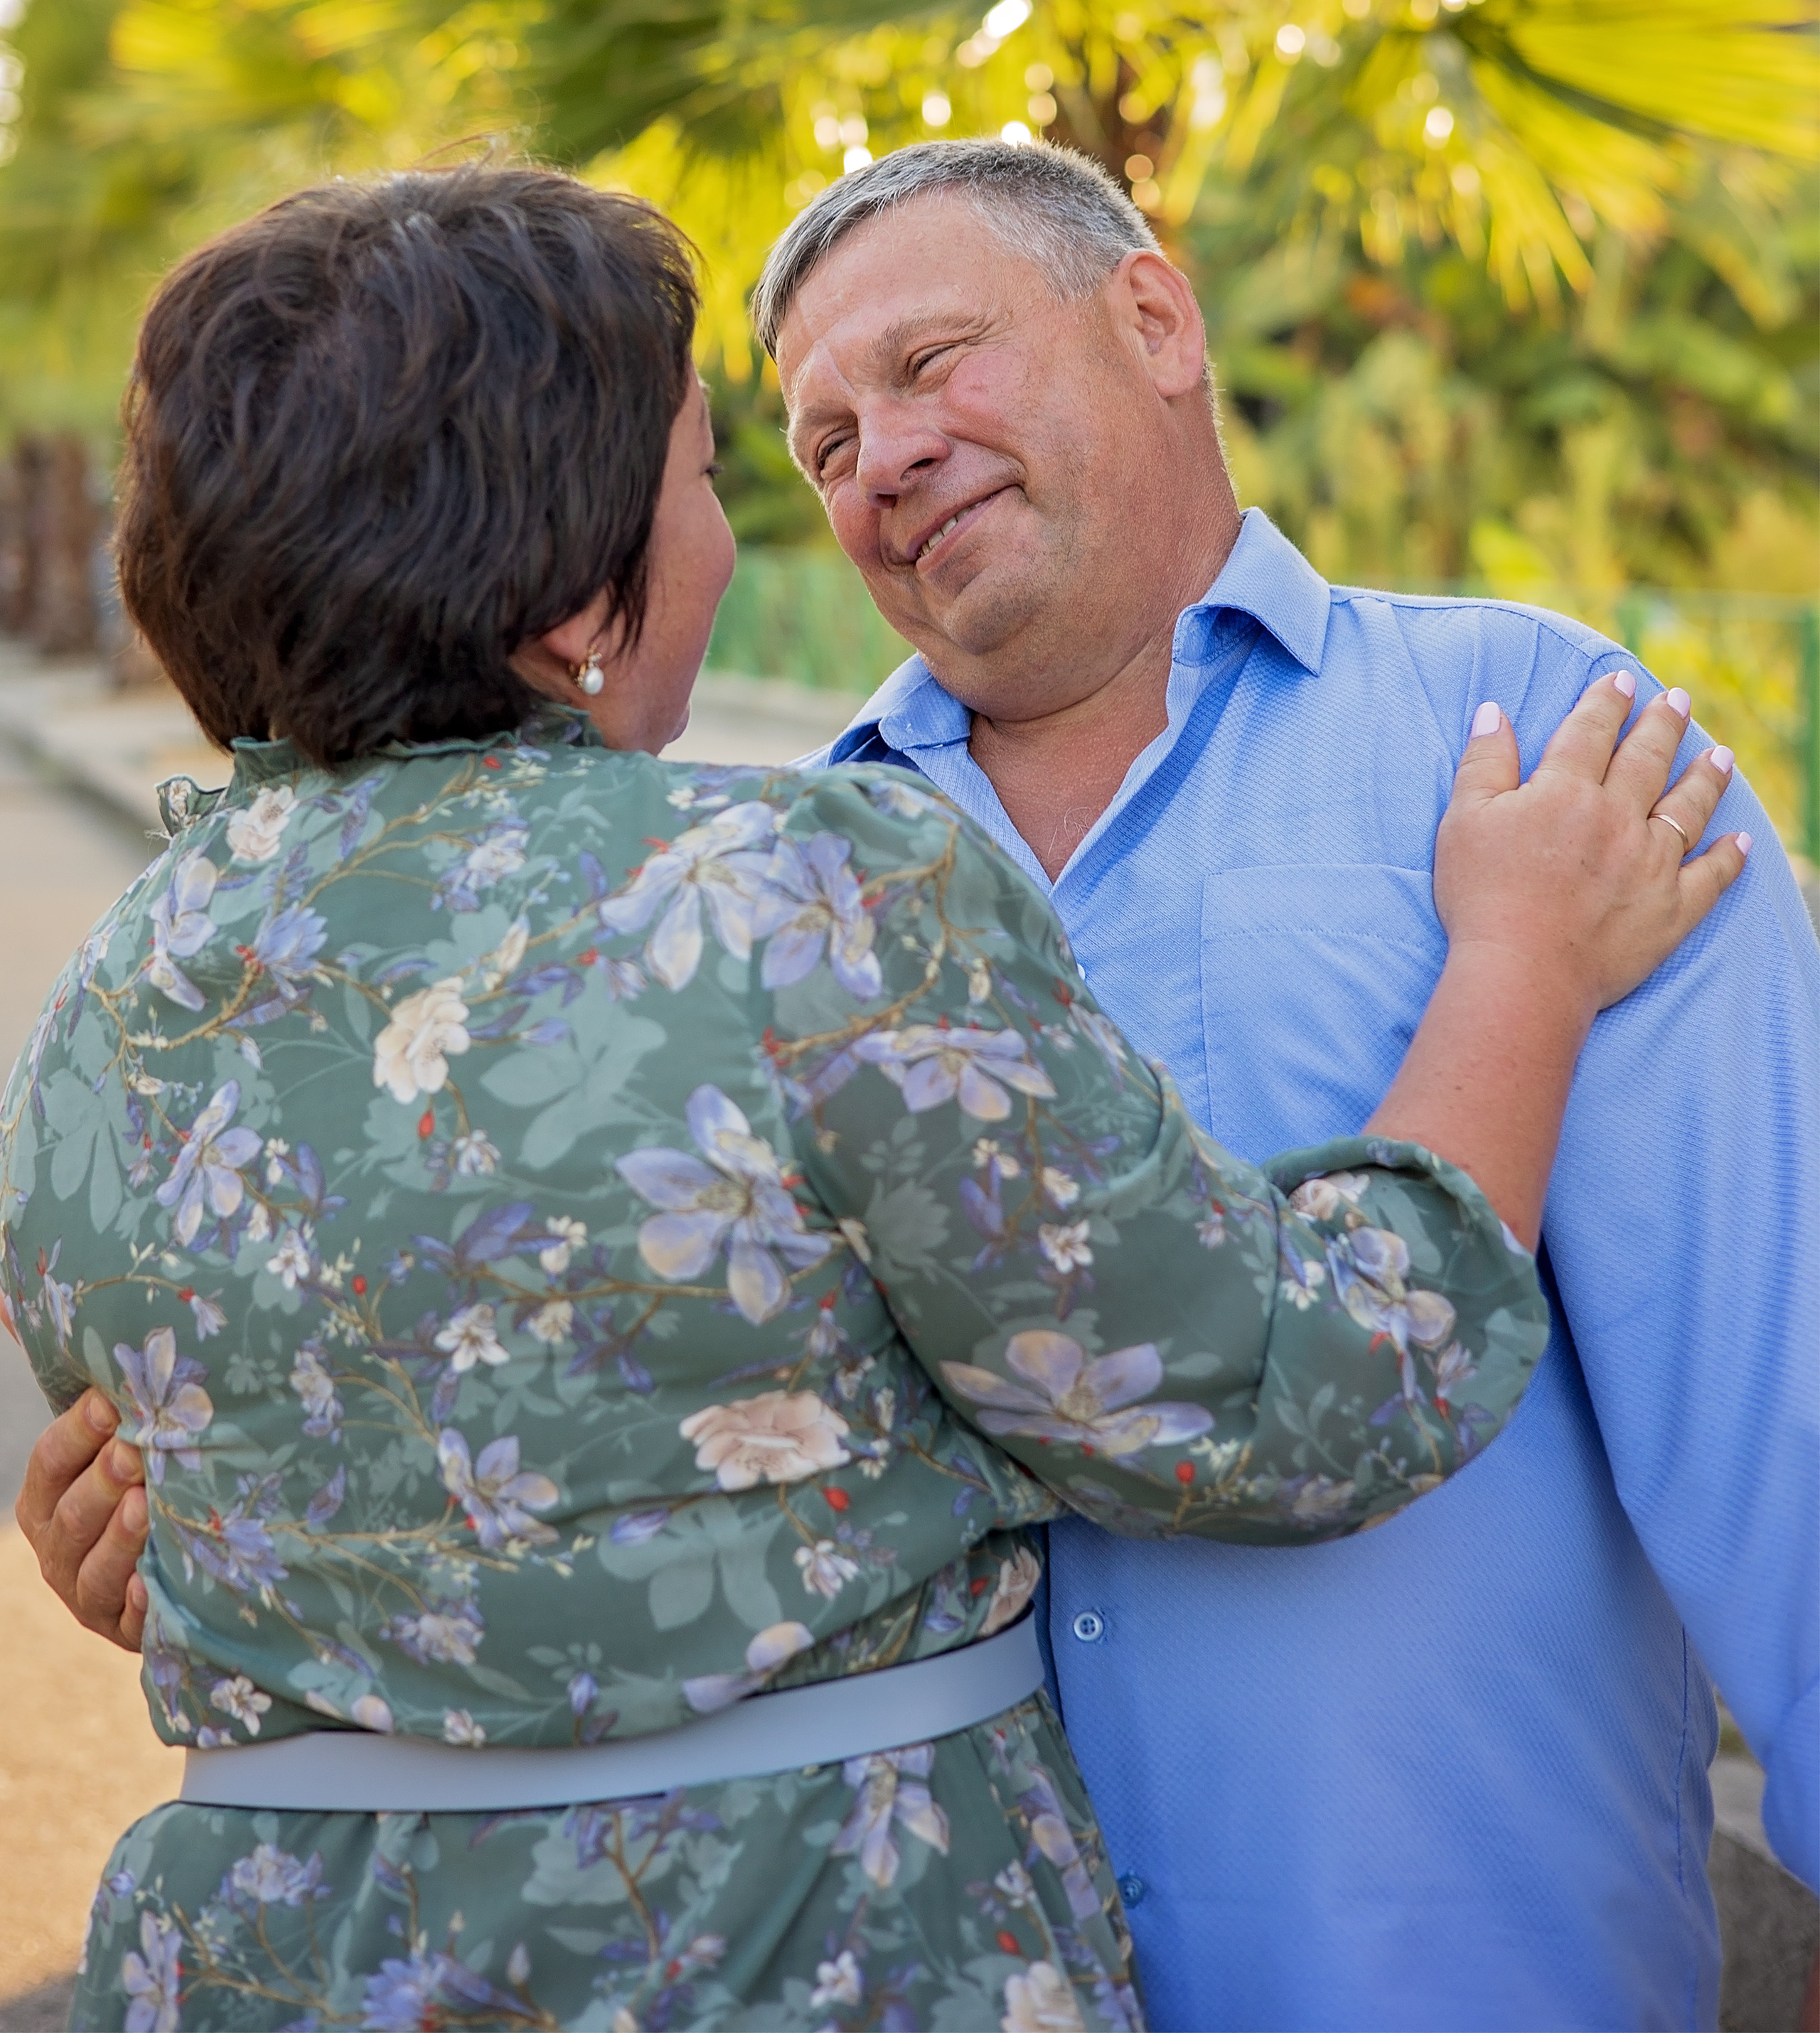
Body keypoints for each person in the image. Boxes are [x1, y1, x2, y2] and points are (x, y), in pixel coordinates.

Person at [0, 162, 1739, 2032]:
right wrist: (1521, 969)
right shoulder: (807, 896)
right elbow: (1302, 1401)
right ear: (574, 570)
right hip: (787, 1947)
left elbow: (252, 1533)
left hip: (256, 1969)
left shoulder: (105, 1010)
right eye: (709, 475)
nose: (751, 536)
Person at [739, 137, 1815, 2033]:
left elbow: (1779, 1404)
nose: (882, 457)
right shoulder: (769, 892)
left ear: (1154, 314)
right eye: (826, 444)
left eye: (932, 363)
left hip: (1469, 1975)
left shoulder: (1539, 743)